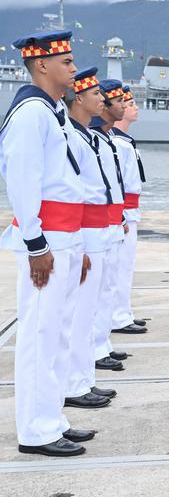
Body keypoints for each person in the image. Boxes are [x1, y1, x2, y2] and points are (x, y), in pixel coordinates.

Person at [1, 30, 92, 457]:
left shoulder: (52, 112)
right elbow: (21, 182)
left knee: (56, 333)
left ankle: (52, 418)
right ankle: (36, 431)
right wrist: (36, 245)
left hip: (65, 239)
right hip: (47, 241)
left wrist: (79, 245)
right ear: (42, 65)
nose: (74, 69)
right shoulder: (31, 113)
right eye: (67, 62)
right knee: (39, 333)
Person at [64, 68, 117, 412]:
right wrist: (79, 244)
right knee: (78, 314)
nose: (103, 99)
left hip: (98, 230)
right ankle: (74, 383)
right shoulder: (70, 135)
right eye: (96, 94)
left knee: (88, 310)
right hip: (83, 232)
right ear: (79, 98)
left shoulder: (87, 136)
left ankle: (84, 380)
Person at [90, 79, 133, 376]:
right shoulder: (94, 138)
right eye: (119, 101)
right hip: (93, 227)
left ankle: (100, 344)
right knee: (94, 294)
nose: (123, 106)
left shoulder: (106, 139)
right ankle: (93, 348)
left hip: (109, 222)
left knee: (106, 288)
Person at [110, 85, 148, 333]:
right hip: (122, 211)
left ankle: (124, 311)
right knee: (118, 268)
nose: (133, 108)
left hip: (130, 210)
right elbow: (115, 182)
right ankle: (118, 316)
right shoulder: (116, 142)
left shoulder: (124, 141)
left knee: (126, 266)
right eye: (129, 103)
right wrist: (120, 215)